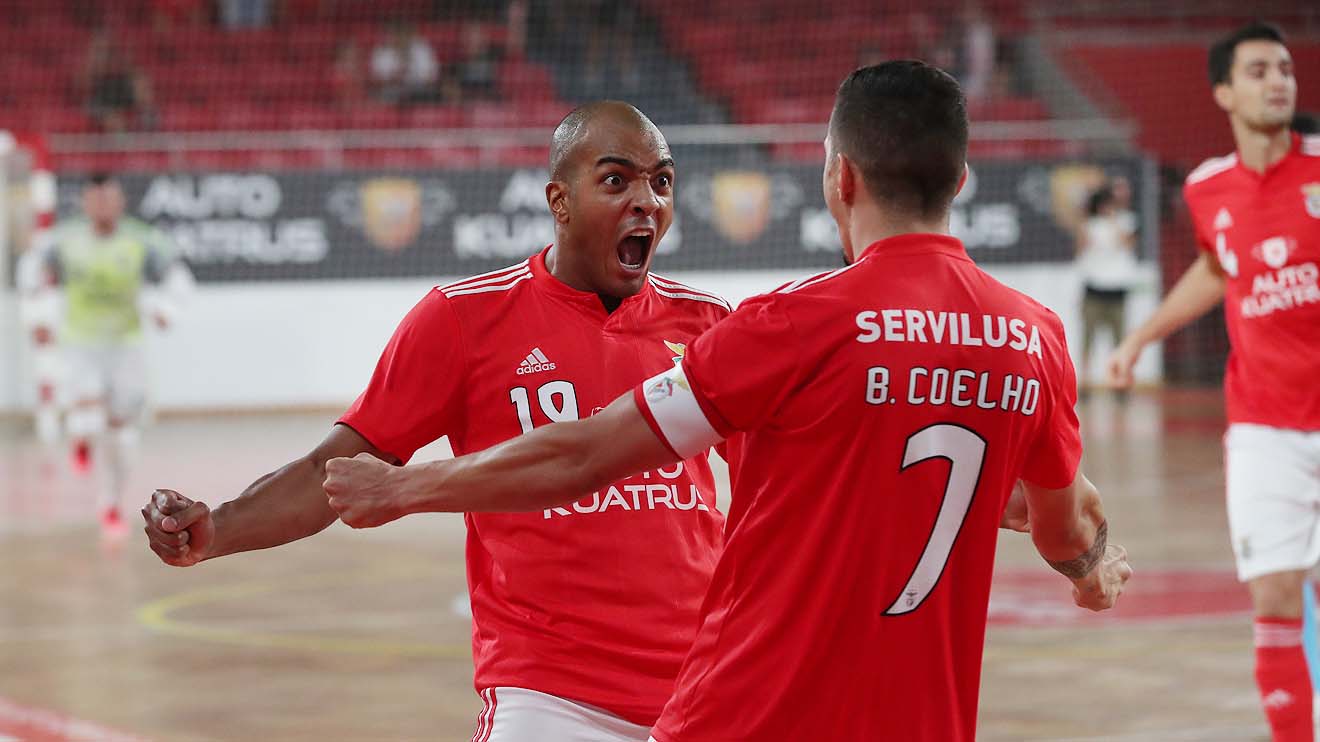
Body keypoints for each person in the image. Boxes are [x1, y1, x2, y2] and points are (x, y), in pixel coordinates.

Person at [322, 61, 1132, 741]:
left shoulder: (790, 325)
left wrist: (404, 487)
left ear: (839, 176)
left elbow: (583, 453)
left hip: (755, 709)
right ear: (958, 179)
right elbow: (1063, 518)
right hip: (917, 718)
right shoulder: (1034, 336)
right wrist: (1089, 569)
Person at [142, 101, 734, 742]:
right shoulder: (463, 320)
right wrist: (218, 528)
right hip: (552, 696)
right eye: (617, 180)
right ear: (559, 202)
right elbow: (331, 471)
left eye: (662, 181)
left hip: (705, 683)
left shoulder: (707, 325)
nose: (647, 200)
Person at [1108, 22, 1318, 742]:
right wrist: (1140, 338)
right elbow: (1215, 266)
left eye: (1286, 68)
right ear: (1225, 91)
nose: (1278, 81)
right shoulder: (1206, 189)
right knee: (1275, 596)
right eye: (1259, 70)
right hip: (1263, 430)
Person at [32, 173, 193, 541]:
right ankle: (81, 439)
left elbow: (178, 279)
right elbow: (37, 279)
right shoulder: (63, 242)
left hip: (126, 346)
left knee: (121, 435)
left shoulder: (143, 241)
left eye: (109, 199)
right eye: (96, 200)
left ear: (120, 202)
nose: (102, 207)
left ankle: (110, 504)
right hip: (80, 345)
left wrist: (167, 310)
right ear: (85, 203)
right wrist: (40, 319)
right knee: (87, 418)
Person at [1075, 181, 1138, 395]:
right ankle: (1084, 382)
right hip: (1093, 288)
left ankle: (1120, 382)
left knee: (1119, 339)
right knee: (1087, 339)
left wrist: (1114, 222)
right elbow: (1081, 247)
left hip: (1117, 289)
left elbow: (1128, 244)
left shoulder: (1127, 221)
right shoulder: (1089, 225)